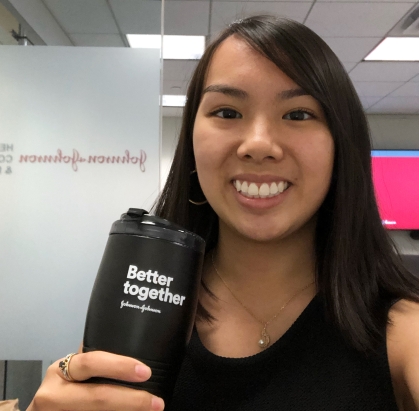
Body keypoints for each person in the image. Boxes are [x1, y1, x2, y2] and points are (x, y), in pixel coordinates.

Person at [28, 15, 419, 411]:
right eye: (228, 113)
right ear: (192, 141)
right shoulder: (145, 309)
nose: (259, 144)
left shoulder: (404, 332)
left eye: (298, 114)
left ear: (340, 142)